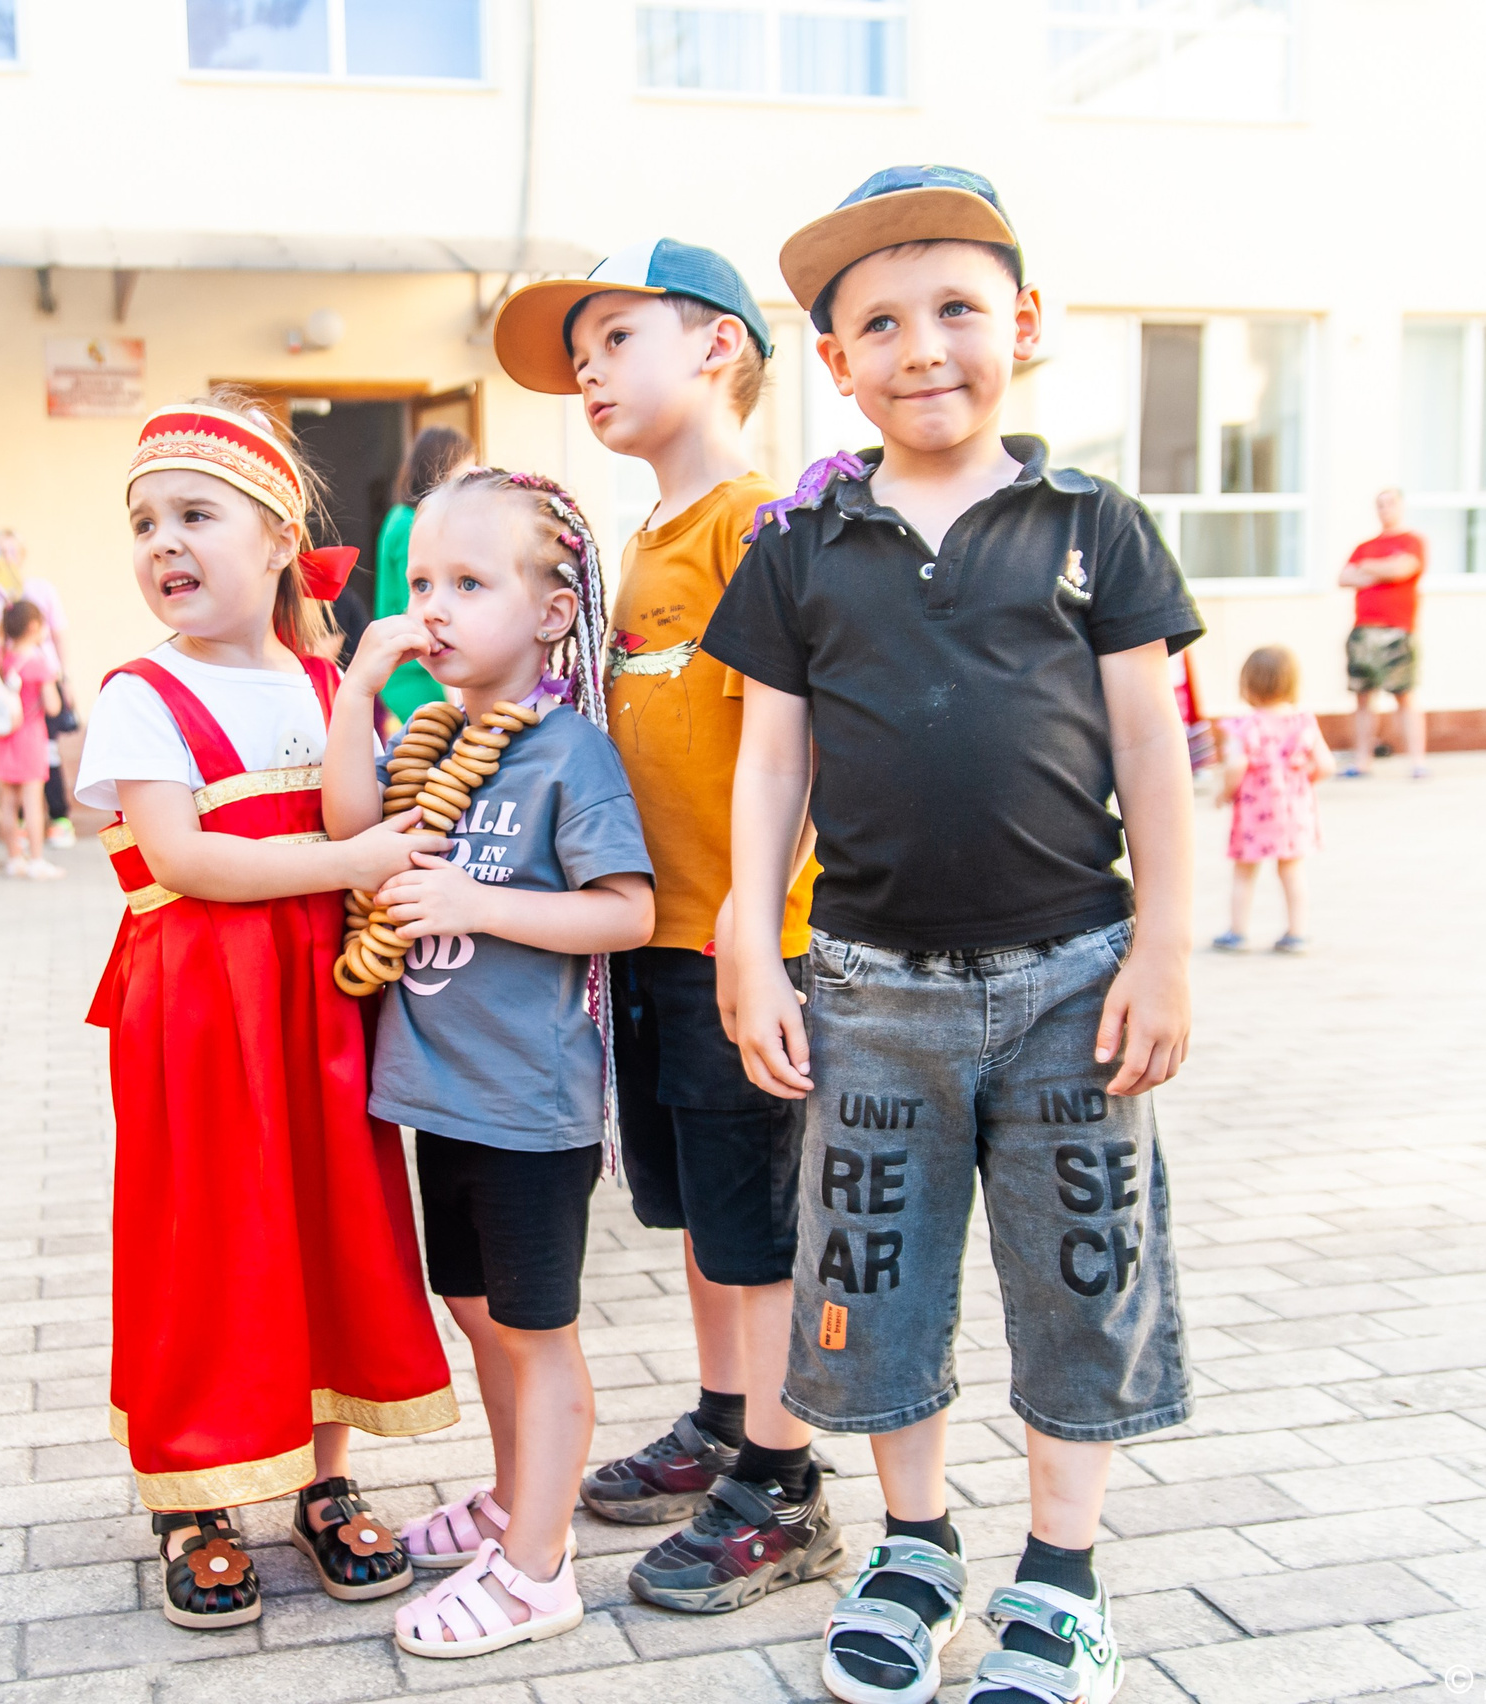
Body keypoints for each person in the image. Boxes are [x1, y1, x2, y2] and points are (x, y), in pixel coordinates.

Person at [708, 168, 1201, 1704]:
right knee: (871, 1279)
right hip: (869, 991)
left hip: (1075, 987)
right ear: (836, 361)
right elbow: (773, 761)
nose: (925, 347)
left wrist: (1169, 941)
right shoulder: (801, 550)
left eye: (958, 311)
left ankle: (1061, 1578)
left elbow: (1151, 748)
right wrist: (743, 935)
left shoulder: (1091, 528)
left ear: (1025, 328)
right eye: (881, 324)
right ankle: (912, 1543)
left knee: (1082, 1277)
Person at [492, 238, 841, 1612]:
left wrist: (758, 935)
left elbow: (795, 756)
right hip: (652, 942)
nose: (589, 370)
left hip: (737, 950)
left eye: (616, 337)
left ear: (717, 347)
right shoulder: (644, 536)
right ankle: (721, 1418)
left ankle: (787, 1481)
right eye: (577, 357)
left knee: (757, 1229)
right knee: (701, 1216)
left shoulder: (758, 525)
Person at [73, 395, 456, 1633]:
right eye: (143, 522)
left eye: (195, 513)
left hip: (317, 1002)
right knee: (207, 1235)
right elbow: (185, 860)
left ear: (282, 533)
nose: (162, 544)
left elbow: (360, 815)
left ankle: (323, 1472)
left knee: (331, 1220)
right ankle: (193, 1492)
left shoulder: (317, 679)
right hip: (197, 1008)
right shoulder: (141, 691)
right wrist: (353, 866)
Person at [324, 468, 655, 1661]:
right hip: (436, 1093)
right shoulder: (429, 734)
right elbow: (349, 834)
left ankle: (537, 1572)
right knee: (473, 1310)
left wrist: (478, 899)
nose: (438, 607)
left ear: (552, 609)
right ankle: (520, 1502)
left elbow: (623, 913)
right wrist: (359, 686)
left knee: (533, 1330)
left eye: (471, 582)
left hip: (527, 1104)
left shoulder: (569, 754)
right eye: (422, 583)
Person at [0, 528, 79, 845]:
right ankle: (22, 829)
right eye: (0, 552)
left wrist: (64, 677)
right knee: (22, 769)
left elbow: (59, 634)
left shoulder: (41, 590)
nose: (7, 558)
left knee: (50, 753)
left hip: (41, 686)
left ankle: (58, 816)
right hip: (3, 689)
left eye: (13, 551)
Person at [1216, 645, 1332, 955]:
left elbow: (1236, 765)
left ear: (1247, 685)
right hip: (1294, 812)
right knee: (1292, 871)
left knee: (1244, 871)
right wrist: (1303, 779)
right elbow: (1326, 765)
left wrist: (1225, 792)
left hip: (1255, 813)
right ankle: (1297, 933)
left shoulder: (1245, 726)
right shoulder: (1303, 722)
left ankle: (1237, 932)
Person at [370, 425, 469, 726]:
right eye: (463, 470)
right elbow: (418, 608)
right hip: (415, 670)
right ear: (442, 469)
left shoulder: (401, 518)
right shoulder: (411, 524)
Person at [1339, 487, 1429, 779]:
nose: (1385, 509)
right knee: (1363, 698)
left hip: (1397, 631)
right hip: (1364, 631)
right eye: (1380, 505)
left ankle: (1418, 762)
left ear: (1401, 506)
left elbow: (1403, 570)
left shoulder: (1412, 541)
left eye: (1390, 504)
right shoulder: (1364, 545)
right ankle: (1362, 761)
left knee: (1404, 696)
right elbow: (1344, 577)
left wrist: (1368, 569)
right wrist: (1381, 569)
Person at [0, 599, 64, 879]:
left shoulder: (1, 658)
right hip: (30, 737)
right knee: (32, 801)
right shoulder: (38, 662)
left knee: (8, 800)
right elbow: (53, 706)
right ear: (33, 627)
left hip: (2, 737)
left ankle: (14, 858)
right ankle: (37, 860)